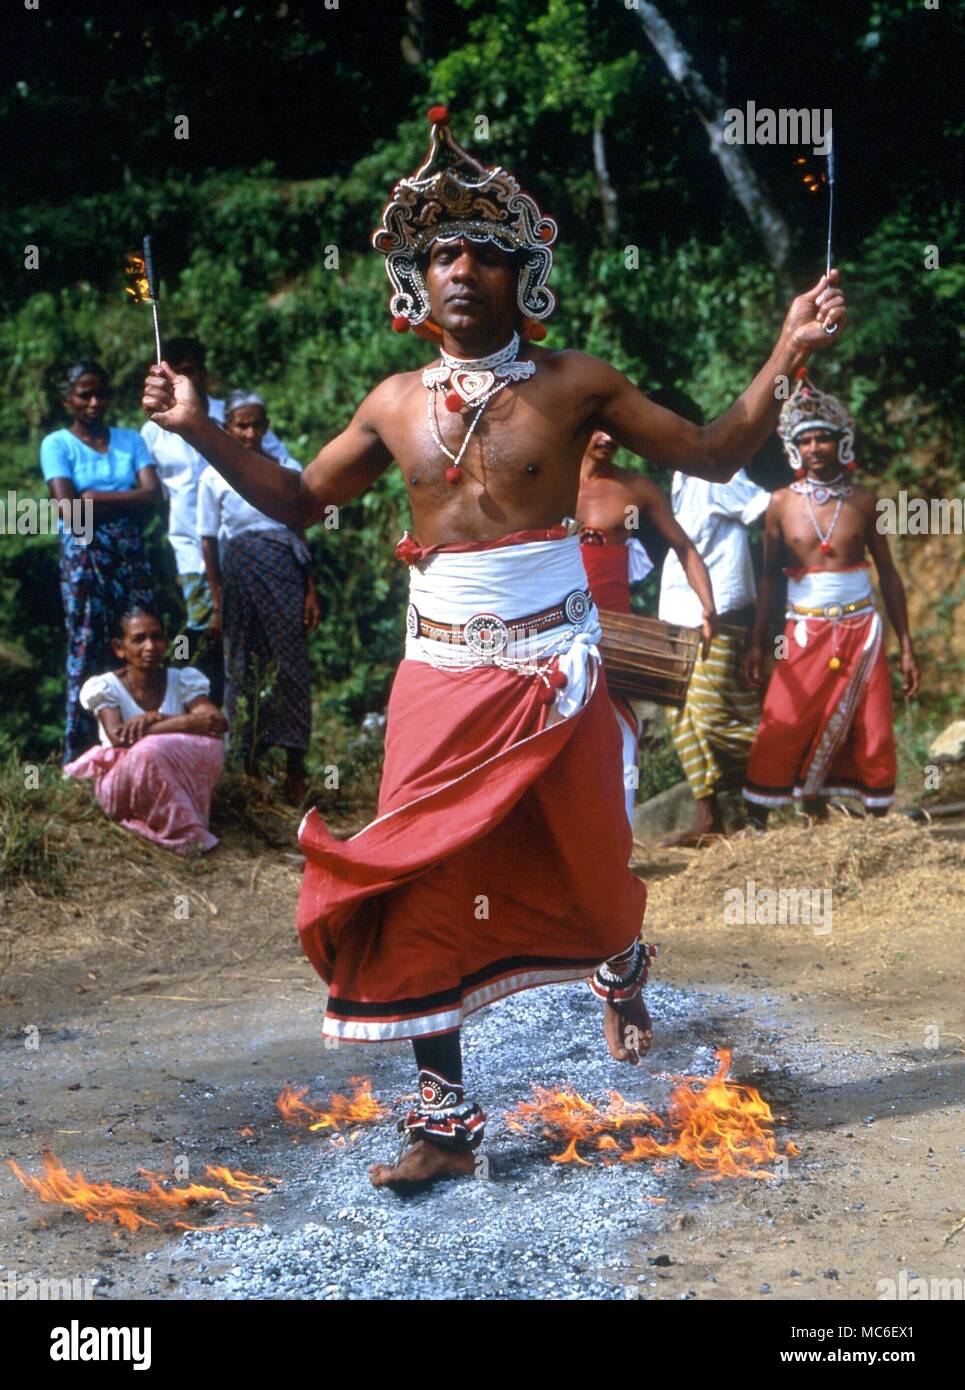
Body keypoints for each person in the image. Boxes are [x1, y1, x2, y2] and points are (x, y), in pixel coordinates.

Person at [142, 108, 847, 1191]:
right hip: (437, 672)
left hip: (556, 670)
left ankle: (618, 962)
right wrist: (194, 427)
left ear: (525, 277)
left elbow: (710, 449)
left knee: (592, 864)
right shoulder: (389, 406)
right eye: (438, 254)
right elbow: (291, 500)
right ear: (412, 285)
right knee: (415, 876)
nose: (458, 269)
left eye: (481, 252)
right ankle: (444, 1119)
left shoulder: (576, 386)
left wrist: (785, 350)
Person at [742, 371, 918, 821]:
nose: (815, 448)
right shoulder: (781, 503)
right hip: (803, 629)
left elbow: (891, 575)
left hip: (863, 630)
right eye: (806, 441)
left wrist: (907, 648)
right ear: (793, 448)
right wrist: (758, 642)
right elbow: (769, 578)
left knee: (872, 726)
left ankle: (875, 820)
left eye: (823, 438)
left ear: (841, 443)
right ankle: (763, 820)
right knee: (784, 719)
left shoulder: (864, 501)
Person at [577, 429, 716, 827]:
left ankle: (619, 849)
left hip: (614, 637)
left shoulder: (635, 490)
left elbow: (685, 548)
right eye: (597, 427)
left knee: (619, 739)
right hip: (553, 629)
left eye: (616, 429)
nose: (607, 437)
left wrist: (708, 608)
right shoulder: (546, 480)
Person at [140, 336, 289, 705]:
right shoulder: (153, 429)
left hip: (239, 538)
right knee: (203, 623)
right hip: (190, 544)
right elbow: (157, 493)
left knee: (245, 626)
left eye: (190, 371)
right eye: (175, 372)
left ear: (203, 373)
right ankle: (192, 697)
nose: (182, 379)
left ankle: (247, 709)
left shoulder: (232, 417)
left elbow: (283, 463)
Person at [197, 391, 320, 804]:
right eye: (241, 426)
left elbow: (300, 529)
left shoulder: (286, 469)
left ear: (266, 427)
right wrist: (216, 600)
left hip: (284, 571)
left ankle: (294, 767)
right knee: (243, 666)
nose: (249, 434)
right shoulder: (213, 475)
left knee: (290, 665)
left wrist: (310, 591)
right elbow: (209, 543)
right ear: (227, 428)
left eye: (257, 425)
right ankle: (246, 766)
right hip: (239, 576)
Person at [41, 361, 161, 763]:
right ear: (67, 399)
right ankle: (80, 752)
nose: (94, 403)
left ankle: (135, 745)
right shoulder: (57, 444)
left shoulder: (130, 440)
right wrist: (107, 503)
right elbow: (68, 511)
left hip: (130, 553)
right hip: (85, 555)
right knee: (87, 643)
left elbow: (153, 497)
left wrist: (93, 498)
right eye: (84, 394)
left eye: (100, 394)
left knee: (134, 641)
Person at [657, 453, 771, 846]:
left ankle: (790, 769)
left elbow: (767, 510)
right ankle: (712, 818)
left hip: (720, 612)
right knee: (681, 717)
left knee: (714, 716)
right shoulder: (676, 476)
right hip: (679, 613)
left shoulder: (716, 470)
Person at [64, 605, 227, 853]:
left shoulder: (181, 679)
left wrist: (157, 718)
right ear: (120, 648)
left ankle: (175, 821)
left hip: (168, 777)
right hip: (122, 784)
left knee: (210, 743)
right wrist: (184, 723)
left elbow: (216, 722)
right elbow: (119, 737)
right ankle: (182, 833)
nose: (150, 647)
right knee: (149, 751)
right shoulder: (106, 686)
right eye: (138, 639)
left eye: (157, 637)